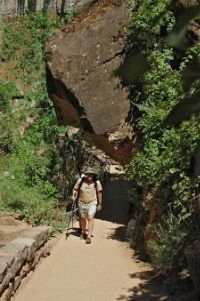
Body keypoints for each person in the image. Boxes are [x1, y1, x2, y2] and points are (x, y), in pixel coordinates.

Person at [72, 167, 103, 244]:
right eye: (88, 174)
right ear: (86, 174)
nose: (90, 176)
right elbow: (75, 189)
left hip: (92, 202)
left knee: (90, 217)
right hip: (81, 203)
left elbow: (99, 193)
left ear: (93, 175)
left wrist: (100, 204)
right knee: (82, 218)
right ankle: (84, 232)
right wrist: (73, 195)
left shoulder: (97, 182)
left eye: (91, 174)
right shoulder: (80, 181)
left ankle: (89, 236)